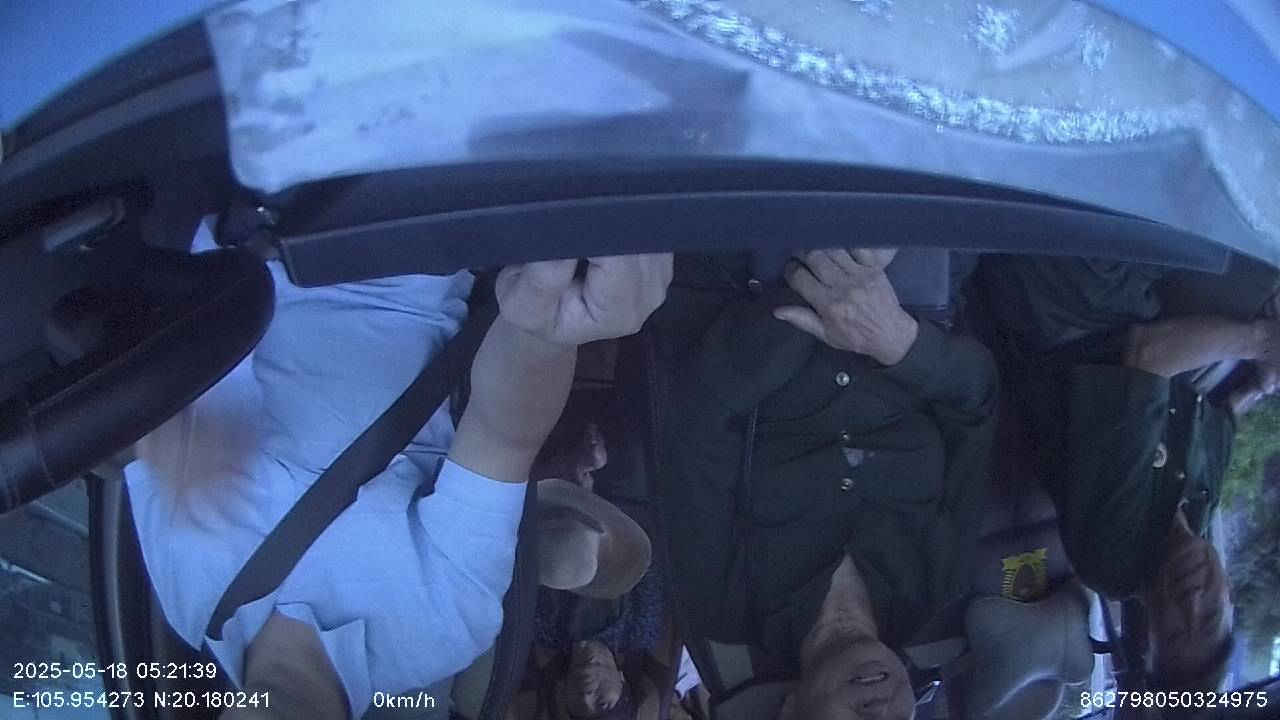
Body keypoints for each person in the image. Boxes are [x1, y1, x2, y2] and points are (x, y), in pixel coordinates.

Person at [124, 225, 672, 720]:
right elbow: (501, 437)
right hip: (413, 245)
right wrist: (549, 325)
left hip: (239, 232)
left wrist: (164, 413)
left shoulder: (185, 597)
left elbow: (183, 349)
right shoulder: (439, 633)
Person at [653, 249, 999, 720]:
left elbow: (695, 418)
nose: (879, 714)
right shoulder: (936, 585)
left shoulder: (726, 603)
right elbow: (977, 401)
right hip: (911, 301)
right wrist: (901, 344)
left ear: (791, 711)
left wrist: (816, 299)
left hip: (746, 289)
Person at [975, 255, 1280, 691]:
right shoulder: (1195, 522)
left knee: (1243, 250)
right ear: (1230, 602)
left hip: (1067, 314)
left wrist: (1263, 341)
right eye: (1212, 615)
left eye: (1176, 632)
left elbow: (1148, 355)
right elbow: (1221, 418)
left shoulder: (1112, 555)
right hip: (1130, 317)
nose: (1194, 600)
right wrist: (1263, 383)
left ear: (1149, 629)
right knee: (1264, 266)